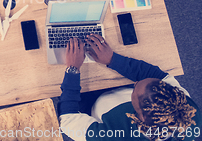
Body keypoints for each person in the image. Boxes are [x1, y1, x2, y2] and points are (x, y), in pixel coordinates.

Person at [60, 35, 201, 141]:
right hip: (114, 98)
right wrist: (113, 59)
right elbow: (158, 75)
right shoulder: (185, 106)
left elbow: (68, 120)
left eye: (134, 89)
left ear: (141, 117)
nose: (134, 83)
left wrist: (73, 69)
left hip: (94, 107)